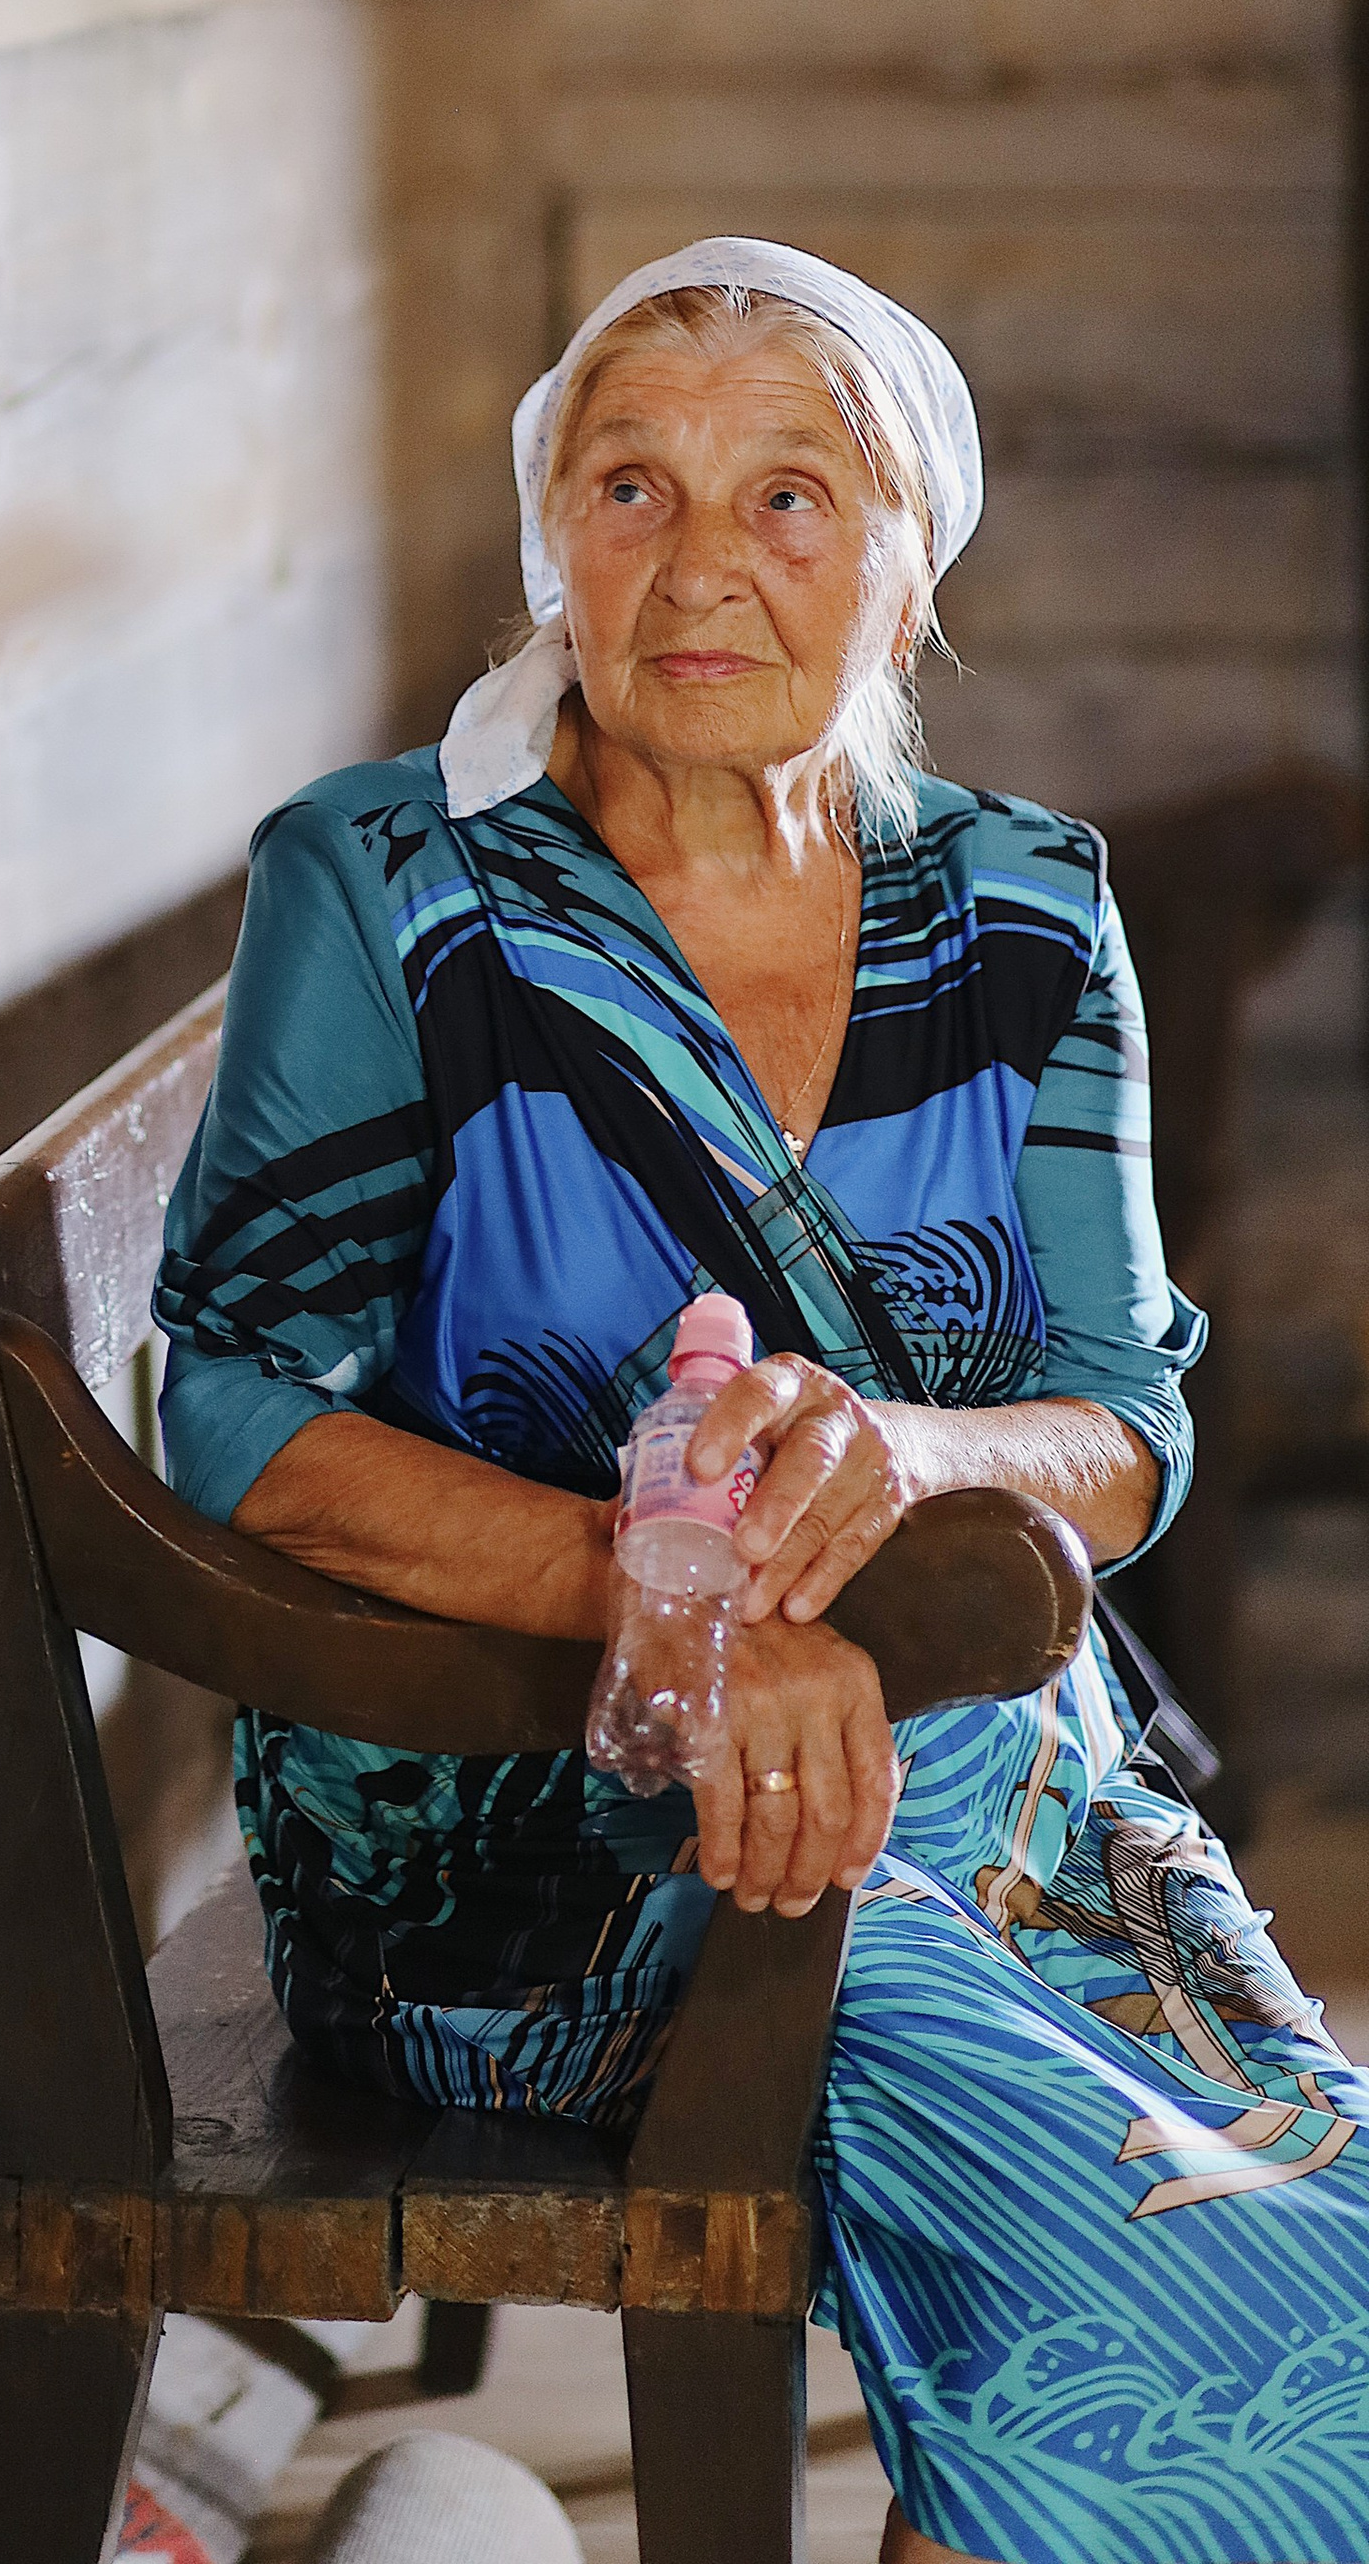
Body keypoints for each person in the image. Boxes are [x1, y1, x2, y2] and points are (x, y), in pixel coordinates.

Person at [156, 235, 1369, 2564]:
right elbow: (231, 1410)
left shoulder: (1023, 907)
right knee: (1130, 2132)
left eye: (792, 495)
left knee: (1215, 2114)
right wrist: (682, 1599)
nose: (699, 556)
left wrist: (909, 1453)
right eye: (627, 484)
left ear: (908, 578)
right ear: (552, 555)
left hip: (965, 1769)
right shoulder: (397, 889)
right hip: (503, 1816)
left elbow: (1122, 1424)